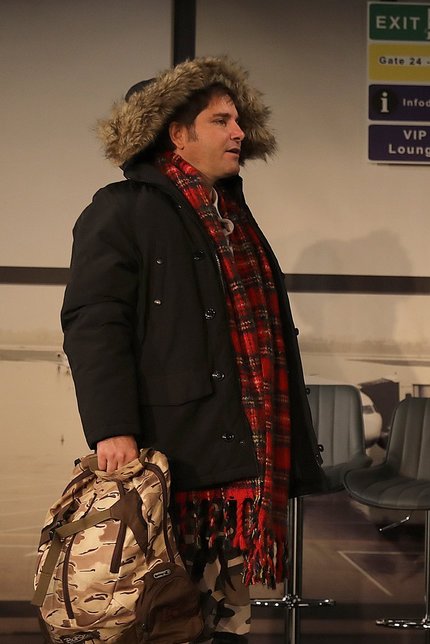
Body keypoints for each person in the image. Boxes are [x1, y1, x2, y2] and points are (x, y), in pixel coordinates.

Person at [61, 56, 326, 643]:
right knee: (159, 619)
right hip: (170, 452)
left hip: (234, 453)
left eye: (238, 120)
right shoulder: (122, 208)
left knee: (225, 624)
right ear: (177, 135)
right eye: (221, 121)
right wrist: (112, 428)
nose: (239, 133)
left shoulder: (232, 217)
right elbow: (94, 323)